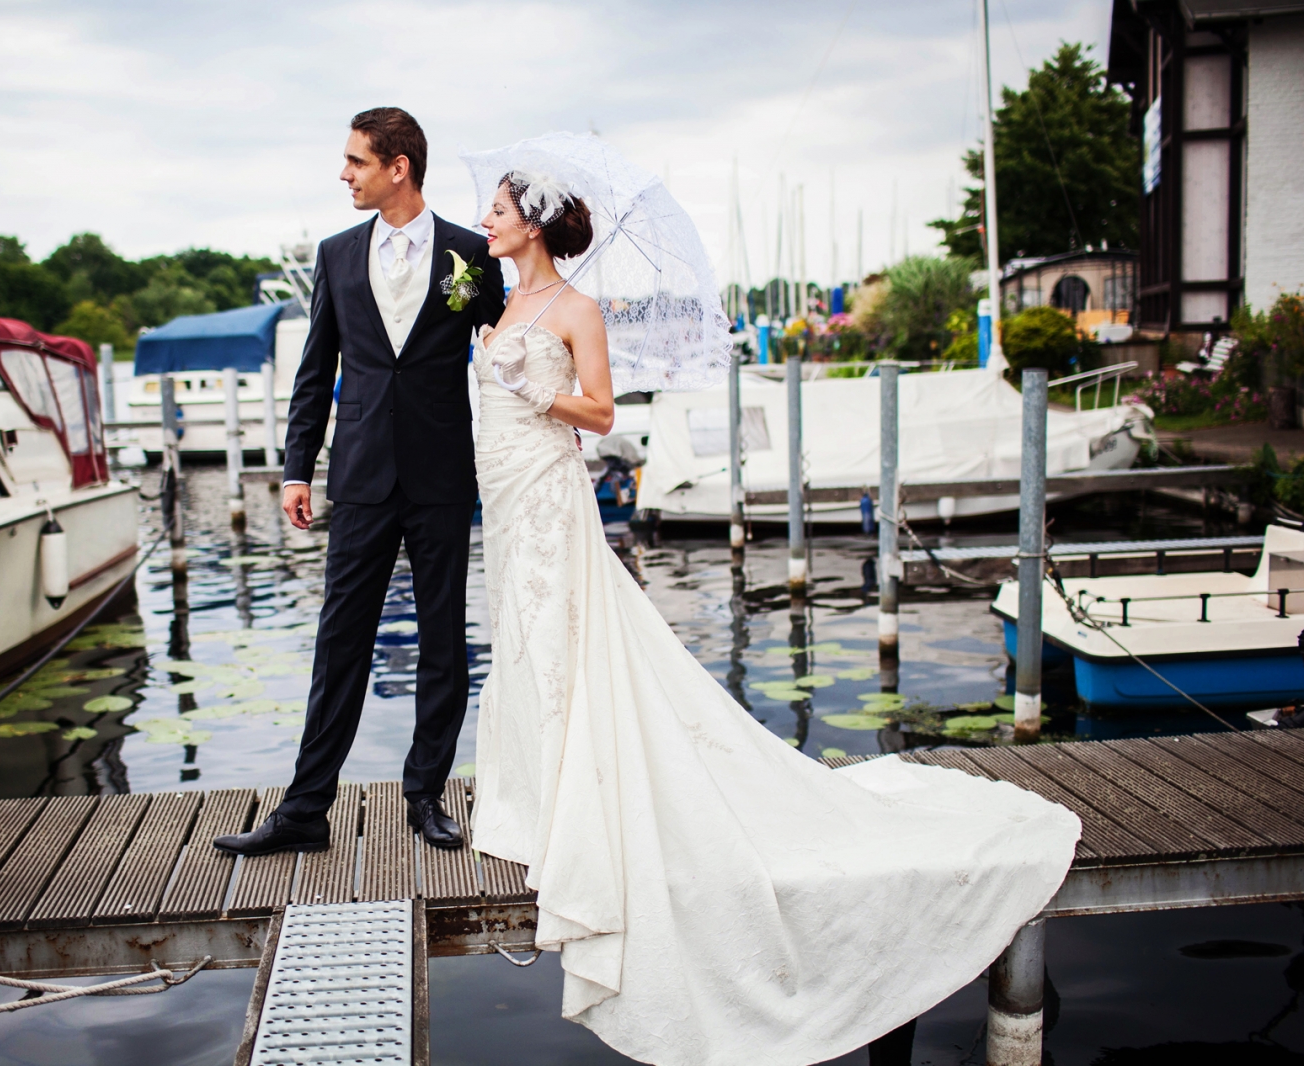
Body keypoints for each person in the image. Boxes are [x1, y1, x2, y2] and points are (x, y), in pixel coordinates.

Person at [466, 169, 1082, 1066]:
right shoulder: (499, 308)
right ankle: (536, 789)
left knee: (568, 637)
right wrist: (495, 358)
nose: (483, 220)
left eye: (496, 210)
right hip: (509, 498)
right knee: (522, 640)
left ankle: (583, 792)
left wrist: (535, 392)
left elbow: (598, 414)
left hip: (553, 493)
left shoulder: (578, 309)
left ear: (535, 223)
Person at [213, 107, 504, 857]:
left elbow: (507, 350)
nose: (344, 173)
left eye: (356, 162)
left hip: (442, 475)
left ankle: (426, 797)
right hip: (361, 477)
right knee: (340, 639)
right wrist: (295, 469)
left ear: (397, 167)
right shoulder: (337, 254)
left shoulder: (471, 254)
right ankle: (305, 810)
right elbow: (316, 372)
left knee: (444, 641)